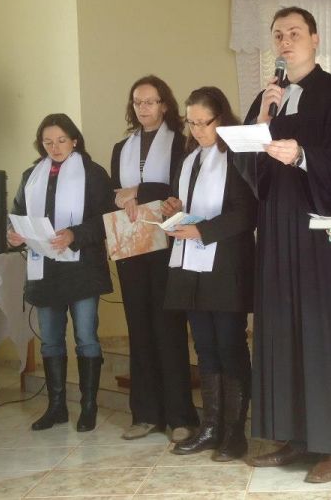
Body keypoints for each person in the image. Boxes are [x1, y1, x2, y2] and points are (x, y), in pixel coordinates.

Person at [234, 6, 331, 483]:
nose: (286, 41)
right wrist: (262, 117)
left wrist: (303, 157)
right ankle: (293, 436)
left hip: (321, 228)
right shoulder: (266, 96)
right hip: (275, 227)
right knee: (282, 329)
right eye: (278, 35)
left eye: (295, 33)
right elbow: (249, 170)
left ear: (315, 38)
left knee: (324, 330)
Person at [163, 86, 256, 461]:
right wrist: (174, 206)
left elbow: (248, 213)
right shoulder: (189, 159)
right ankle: (211, 427)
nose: (199, 130)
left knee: (230, 347)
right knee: (204, 348)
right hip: (190, 266)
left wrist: (203, 230)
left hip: (226, 266)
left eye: (206, 123)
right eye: (193, 123)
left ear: (222, 119)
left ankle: (236, 434)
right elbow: (189, 204)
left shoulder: (236, 156)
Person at [8, 113, 114, 432]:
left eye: (61, 141)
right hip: (45, 270)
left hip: (82, 269)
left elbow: (106, 220)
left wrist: (74, 235)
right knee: (51, 341)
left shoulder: (93, 174)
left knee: (85, 338)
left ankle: (89, 406)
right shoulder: (31, 175)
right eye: (48, 142)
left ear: (75, 140)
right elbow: (17, 216)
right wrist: (13, 235)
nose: (55, 147)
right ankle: (56, 407)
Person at [110, 75, 198, 442]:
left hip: (167, 245)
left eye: (150, 101)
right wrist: (121, 196)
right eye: (137, 102)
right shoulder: (121, 147)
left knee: (168, 328)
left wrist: (138, 191)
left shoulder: (181, 142)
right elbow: (113, 192)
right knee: (139, 330)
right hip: (131, 247)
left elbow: (179, 188)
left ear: (165, 105)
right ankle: (145, 414)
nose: (143, 108)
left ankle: (180, 416)